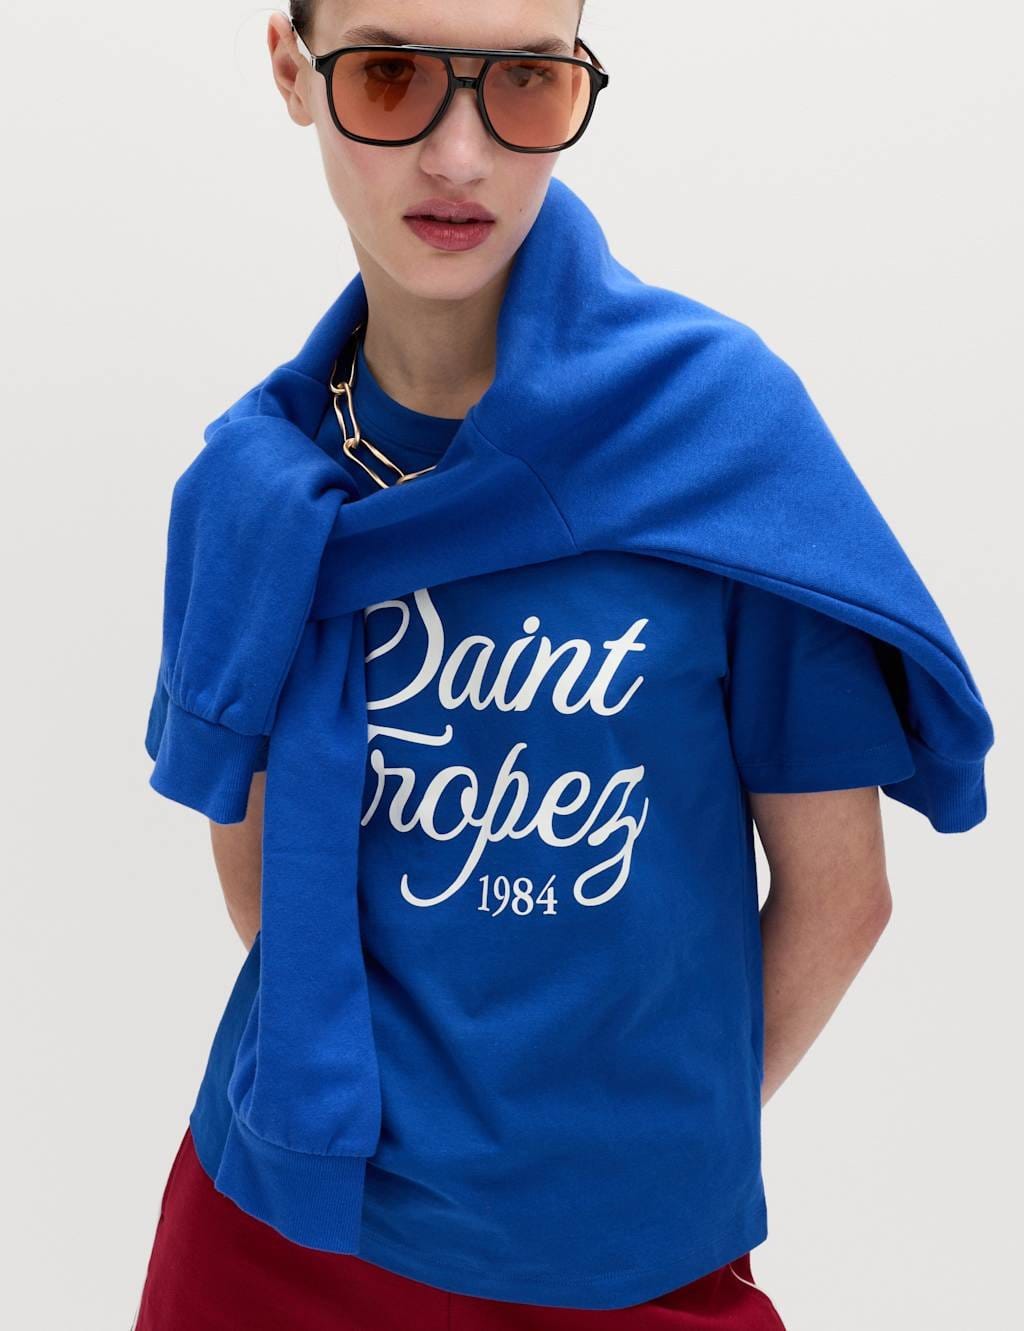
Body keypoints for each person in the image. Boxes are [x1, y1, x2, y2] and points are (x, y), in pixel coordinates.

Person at [130, 2, 989, 1328]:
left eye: (526, 81)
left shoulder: (716, 444)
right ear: (294, 72)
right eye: (392, 75)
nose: (459, 154)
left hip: (621, 1259)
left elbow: (844, 897)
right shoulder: (253, 494)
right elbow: (260, 886)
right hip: (272, 1225)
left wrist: (625, 1161)